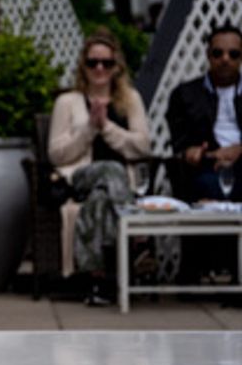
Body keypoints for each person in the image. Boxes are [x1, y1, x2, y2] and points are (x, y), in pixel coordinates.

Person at [48, 30, 151, 306]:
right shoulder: (67, 102)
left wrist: (107, 127)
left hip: (114, 188)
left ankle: (99, 280)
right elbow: (57, 154)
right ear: (84, 65)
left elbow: (142, 147)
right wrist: (90, 129)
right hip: (79, 177)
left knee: (102, 198)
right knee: (109, 170)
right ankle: (135, 239)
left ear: (117, 66)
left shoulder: (130, 100)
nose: (100, 69)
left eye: (106, 63)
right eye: (93, 62)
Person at [166, 23, 242, 202]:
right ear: (208, 56)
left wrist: (238, 151)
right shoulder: (185, 94)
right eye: (217, 53)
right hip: (207, 167)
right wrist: (196, 153)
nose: (225, 59)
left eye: (233, 54)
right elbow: (180, 145)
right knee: (209, 184)